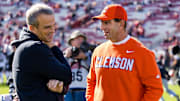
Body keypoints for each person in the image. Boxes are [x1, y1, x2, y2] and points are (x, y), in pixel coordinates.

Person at [86, 4, 163, 101]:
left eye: (107, 23)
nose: (102, 27)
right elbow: (91, 81)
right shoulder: (98, 51)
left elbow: (155, 89)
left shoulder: (142, 53)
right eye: (102, 23)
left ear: (121, 24)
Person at [12, 3, 72, 101]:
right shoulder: (35, 47)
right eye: (47, 27)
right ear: (32, 28)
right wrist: (53, 47)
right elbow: (67, 75)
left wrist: (61, 88)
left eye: (54, 25)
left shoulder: (24, 45)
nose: (53, 30)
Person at [64, 30, 90, 101]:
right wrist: (66, 57)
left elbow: (94, 69)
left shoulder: (89, 54)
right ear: (71, 42)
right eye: (77, 39)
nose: (80, 41)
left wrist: (85, 58)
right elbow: (60, 69)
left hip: (84, 89)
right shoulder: (66, 54)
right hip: (69, 90)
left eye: (82, 39)